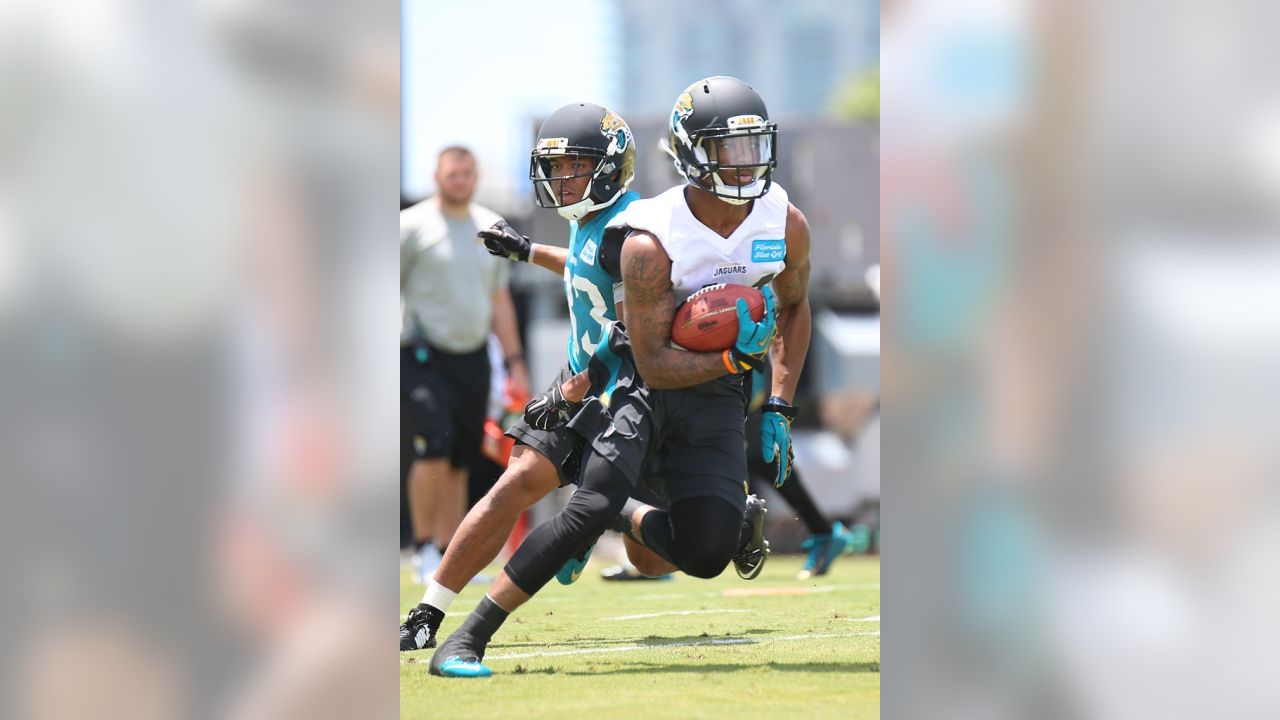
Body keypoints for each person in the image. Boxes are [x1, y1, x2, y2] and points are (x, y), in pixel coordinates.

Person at [429, 76, 811, 678]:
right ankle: (465, 638)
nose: (743, 166)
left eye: (751, 147)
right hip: (645, 384)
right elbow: (654, 359)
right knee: (582, 507)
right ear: (690, 153)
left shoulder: (782, 221)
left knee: (704, 553)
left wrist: (780, 406)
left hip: (715, 396)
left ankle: (662, 515)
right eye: (726, 150)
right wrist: (736, 358)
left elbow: (792, 303)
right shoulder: (647, 237)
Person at [400, 103, 671, 652]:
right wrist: (526, 251)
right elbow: (583, 263)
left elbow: (631, 329)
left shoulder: (635, 228)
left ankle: (614, 516)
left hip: (632, 398)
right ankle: (428, 613)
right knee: (512, 485)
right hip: (583, 384)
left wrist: (575, 385)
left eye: (573, 166)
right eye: (556, 166)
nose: (560, 177)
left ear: (609, 167)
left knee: (651, 556)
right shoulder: (597, 223)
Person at [400, 146, 529, 586]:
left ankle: (447, 553)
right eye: (452, 173)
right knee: (432, 445)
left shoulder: (490, 226)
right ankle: (421, 548)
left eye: (467, 173)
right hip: (421, 353)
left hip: (473, 356)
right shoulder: (410, 226)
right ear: (437, 175)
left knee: (460, 456)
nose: (460, 180)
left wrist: (515, 362)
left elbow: (499, 300)